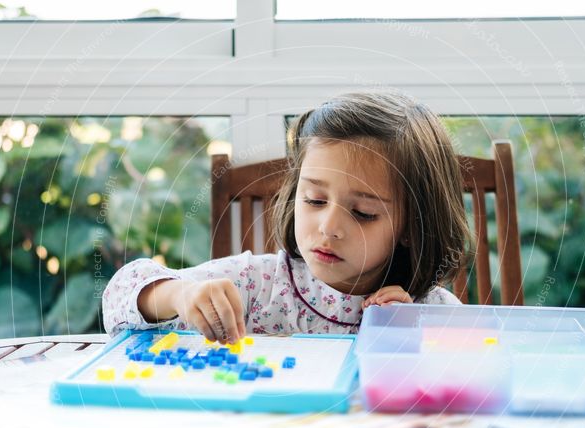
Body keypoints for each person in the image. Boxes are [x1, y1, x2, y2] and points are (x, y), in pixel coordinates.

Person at [103, 91, 471, 342]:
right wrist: (178, 295)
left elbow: (466, 385)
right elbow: (117, 300)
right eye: (313, 200)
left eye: (363, 212)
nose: (328, 227)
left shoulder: (429, 310)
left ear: (412, 225)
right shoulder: (257, 284)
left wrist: (407, 334)